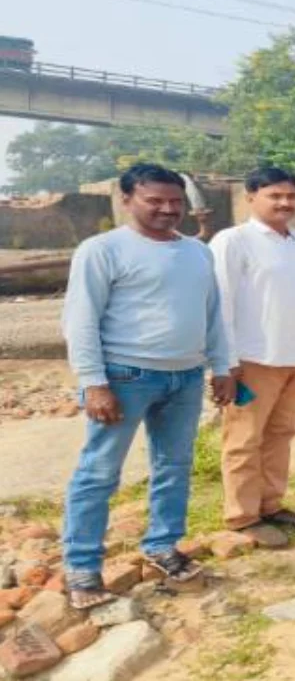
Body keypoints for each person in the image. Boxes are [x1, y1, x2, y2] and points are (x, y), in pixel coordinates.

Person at [61, 163, 233, 609]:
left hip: (187, 377)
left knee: (174, 466)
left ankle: (162, 546)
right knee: (99, 472)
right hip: (125, 377)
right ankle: (81, 567)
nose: (167, 209)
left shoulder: (197, 252)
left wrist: (222, 366)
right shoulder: (102, 249)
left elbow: (211, 314)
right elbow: (80, 320)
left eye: (175, 201)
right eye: (154, 200)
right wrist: (94, 383)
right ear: (126, 200)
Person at [209, 168, 295, 549]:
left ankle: (271, 505)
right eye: (274, 195)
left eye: (291, 196)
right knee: (243, 438)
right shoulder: (233, 240)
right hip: (253, 359)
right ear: (250, 197)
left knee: (281, 435)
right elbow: (219, 303)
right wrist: (224, 363)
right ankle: (242, 517)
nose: (284, 203)